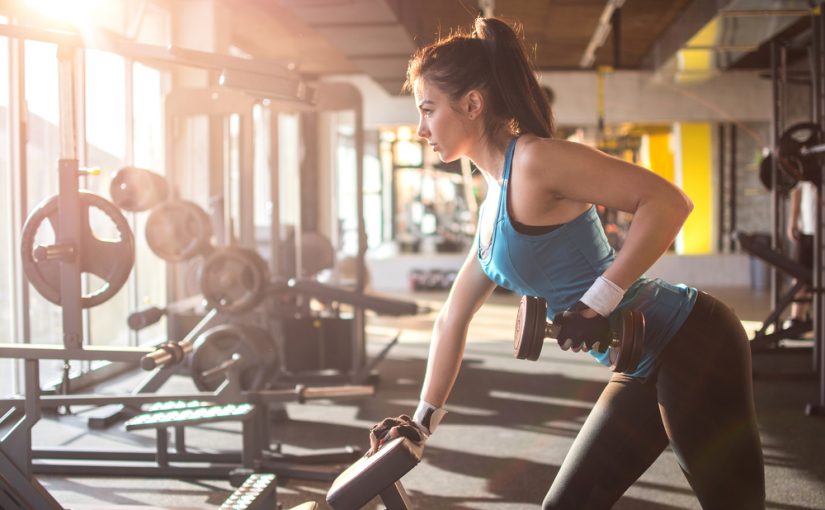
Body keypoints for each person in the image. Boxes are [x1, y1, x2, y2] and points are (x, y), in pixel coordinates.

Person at [368, 16, 765, 510]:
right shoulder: (492, 205)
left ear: (472, 104)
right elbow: (453, 316)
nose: (420, 127)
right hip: (641, 361)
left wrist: (597, 302)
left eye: (428, 109)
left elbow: (668, 203)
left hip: (692, 338)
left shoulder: (535, 161)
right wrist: (420, 423)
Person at [785, 180, 816, 330]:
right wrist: (793, 220)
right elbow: (796, 187)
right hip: (808, 228)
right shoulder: (804, 156)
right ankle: (797, 318)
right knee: (800, 273)